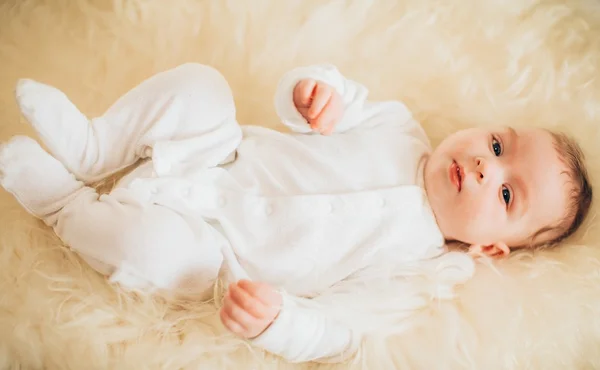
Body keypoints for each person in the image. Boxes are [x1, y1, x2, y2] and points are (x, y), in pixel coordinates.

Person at [0, 63, 592, 363]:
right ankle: (96, 146)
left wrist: (280, 323)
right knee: (204, 86)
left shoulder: (417, 269)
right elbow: (316, 99)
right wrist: (313, 93)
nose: (489, 167)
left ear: (491, 248)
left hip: (210, 247)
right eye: (497, 144)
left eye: (508, 196)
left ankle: (64, 205)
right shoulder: (395, 124)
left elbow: (342, 332)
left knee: (155, 255)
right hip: (217, 152)